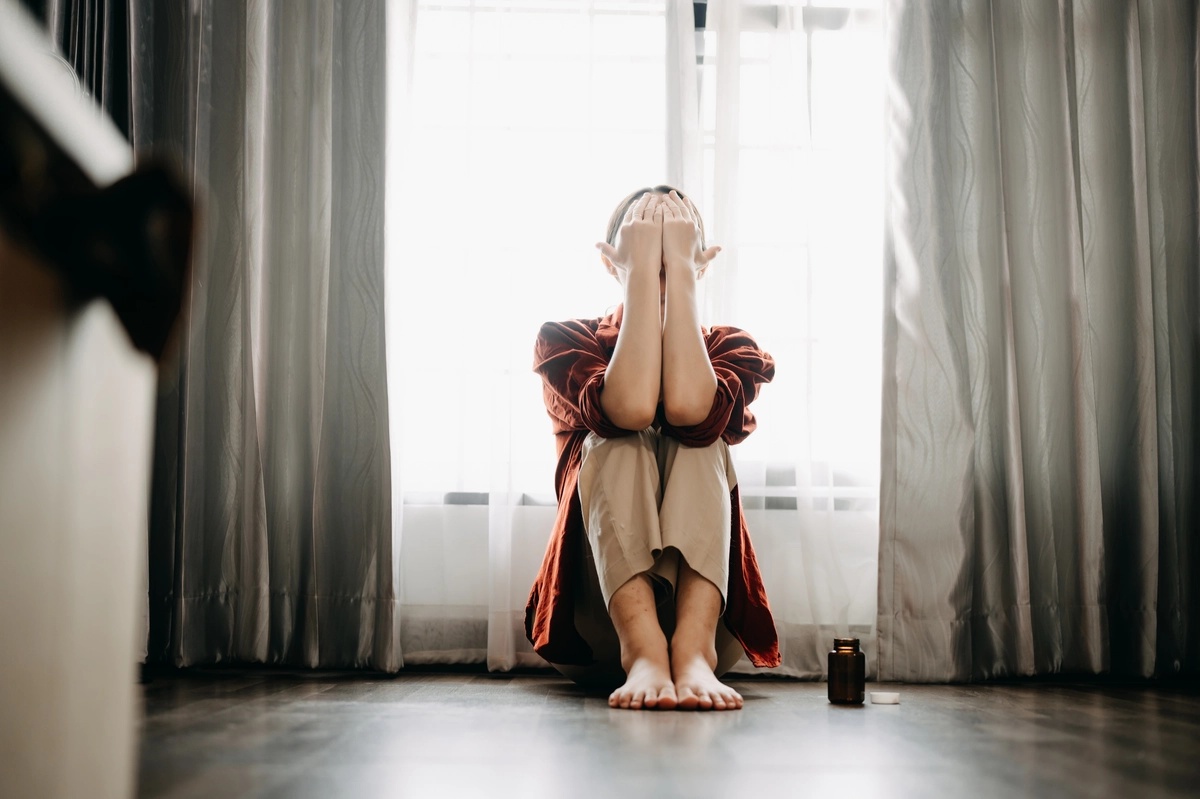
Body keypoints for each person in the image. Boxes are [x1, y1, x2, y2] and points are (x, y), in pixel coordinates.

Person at [525, 185, 780, 711]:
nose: (661, 262)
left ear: (699, 266)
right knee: (614, 439)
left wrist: (680, 276)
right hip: (596, 628)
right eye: (646, 248)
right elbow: (630, 410)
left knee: (699, 442)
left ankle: (691, 652)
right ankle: (642, 650)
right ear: (612, 261)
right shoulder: (565, 340)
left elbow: (690, 410)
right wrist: (640, 275)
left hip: (710, 634)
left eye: (676, 253)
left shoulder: (732, 348)